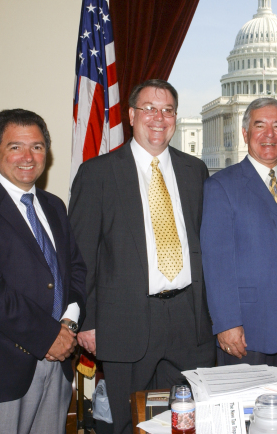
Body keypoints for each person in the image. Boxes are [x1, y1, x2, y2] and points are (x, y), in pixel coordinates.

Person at [69, 79, 215, 434]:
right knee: (127, 422)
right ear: (132, 115)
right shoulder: (98, 173)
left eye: (167, 110)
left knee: (191, 421)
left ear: (176, 119)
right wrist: (86, 321)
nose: (158, 117)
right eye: (149, 108)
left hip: (189, 321)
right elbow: (80, 256)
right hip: (125, 321)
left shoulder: (194, 171)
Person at [0, 109, 87, 434]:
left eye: (36, 147)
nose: (27, 157)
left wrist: (68, 322)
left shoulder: (54, 206)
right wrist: (49, 336)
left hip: (58, 360)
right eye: (15, 147)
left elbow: (74, 270)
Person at [201, 97, 277, 367]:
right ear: (245, 133)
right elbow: (216, 262)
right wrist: (226, 322)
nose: (270, 135)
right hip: (244, 327)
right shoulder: (221, 186)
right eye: (260, 126)